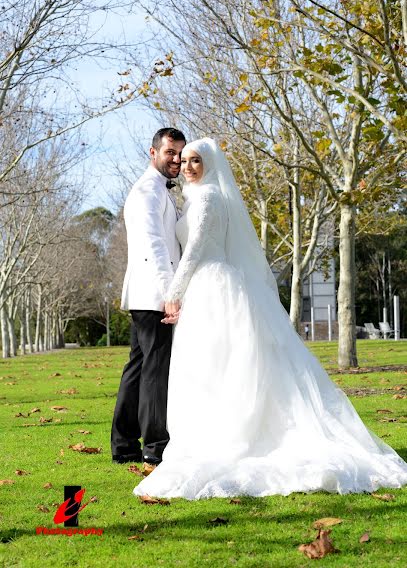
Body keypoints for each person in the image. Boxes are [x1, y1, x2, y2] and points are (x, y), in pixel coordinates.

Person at [133, 137, 407, 499]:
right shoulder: (194, 198)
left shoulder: (210, 197)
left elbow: (198, 246)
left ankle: (230, 436)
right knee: (210, 366)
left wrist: (174, 292)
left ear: (210, 164)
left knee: (220, 364)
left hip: (212, 286)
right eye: (184, 160)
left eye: (196, 160)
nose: (188, 166)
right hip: (206, 288)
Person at [111, 127, 186, 469]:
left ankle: (124, 444)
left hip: (146, 294)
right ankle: (155, 448)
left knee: (138, 369)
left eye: (179, 153)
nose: (176, 159)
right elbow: (152, 247)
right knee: (156, 371)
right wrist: (169, 293)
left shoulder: (160, 191)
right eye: (170, 152)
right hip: (154, 294)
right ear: (153, 152)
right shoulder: (146, 192)